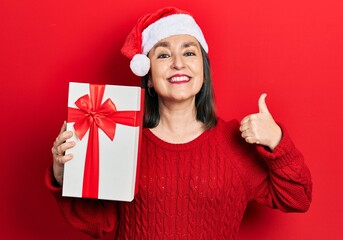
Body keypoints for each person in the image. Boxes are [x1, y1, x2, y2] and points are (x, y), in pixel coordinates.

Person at [46, 6, 312, 239]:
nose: (177, 64)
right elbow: (97, 223)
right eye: (163, 55)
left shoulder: (234, 140)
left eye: (189, 53)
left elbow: (298, 197)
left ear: (203, 72)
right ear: (148, 76)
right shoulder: (121, 138)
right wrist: (63, 176)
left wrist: (277, 141)